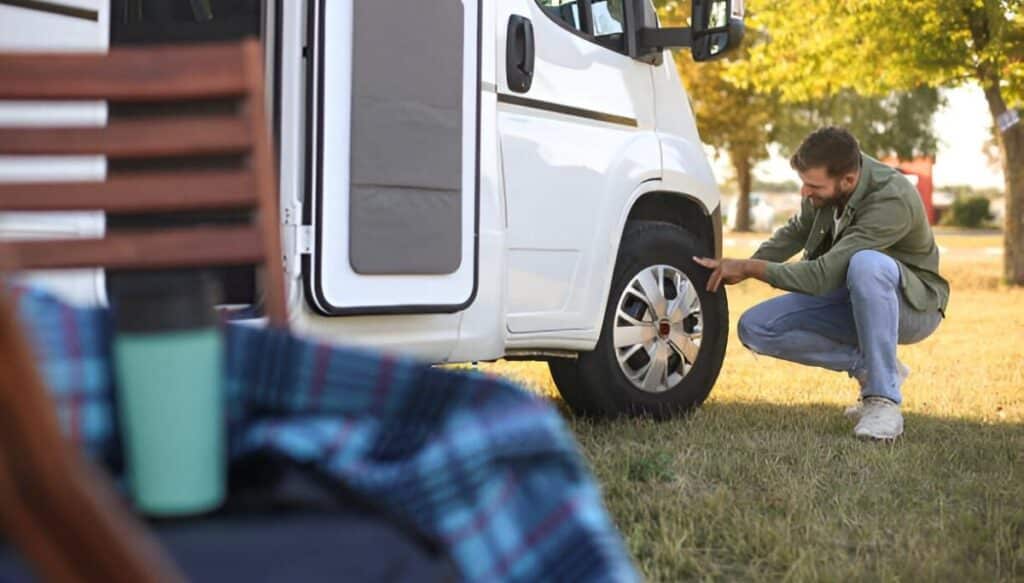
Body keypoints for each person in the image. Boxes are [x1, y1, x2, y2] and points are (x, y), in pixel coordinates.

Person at [694, 127, 949, 440]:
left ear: (849, 181)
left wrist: (750, 267)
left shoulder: (890, 199)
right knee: (756, 327)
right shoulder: (826, 191)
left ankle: (884, 402)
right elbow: (796, 232)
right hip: (850, 297)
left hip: (912, 308)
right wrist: (743, 267)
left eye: (813, 186)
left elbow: (820, 276)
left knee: (866, 264)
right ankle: (875, 368)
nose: (805, 192)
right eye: (803, 183)